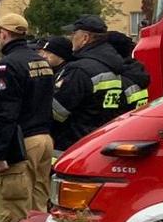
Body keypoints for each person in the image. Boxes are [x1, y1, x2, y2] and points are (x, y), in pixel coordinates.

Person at [0, 14, 56, 222]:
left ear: (3, 33)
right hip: (44, 140)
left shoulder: (7, 65)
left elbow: (6, 113)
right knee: (38, 202)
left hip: (22, 144)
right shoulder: (42, 61)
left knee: (15, 203)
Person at [50, 16, 128, 156]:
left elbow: (56, 111)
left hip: (73, 146)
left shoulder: (80, 70)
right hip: (99, 141)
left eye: (73, 34)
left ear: (85, 38)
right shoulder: (111, 66)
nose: (71, 38)